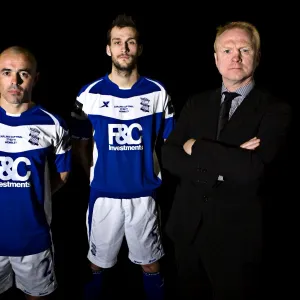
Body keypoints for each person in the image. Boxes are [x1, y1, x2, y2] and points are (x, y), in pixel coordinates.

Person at [161, 21, 292, 300]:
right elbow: (169, 155)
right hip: (187, 231)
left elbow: (251, 169)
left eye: (245, 49)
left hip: (237, 240)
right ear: (216, 58)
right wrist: (227, 161)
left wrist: (195, 145)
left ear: (257, 56)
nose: (236, 56)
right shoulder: (196, 103)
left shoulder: (275, 110)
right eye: (228, 49)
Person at [70, 14, 175, 300]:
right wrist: (93, 173)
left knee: (151, 263)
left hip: (144, 194)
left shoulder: (158, 93)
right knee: (96, 263)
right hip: (103, 195)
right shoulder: (88, 94)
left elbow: (172, 141)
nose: (124, 48)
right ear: (108, 49)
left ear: (139, 48)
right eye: (117, 42)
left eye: (130, 42)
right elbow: (80, 143)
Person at [0, 46, 72, 299]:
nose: (15, 81)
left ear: (36, 78)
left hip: (33, 240)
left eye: (24, 74)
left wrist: (33, 194)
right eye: (7, 72)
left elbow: (63, 174)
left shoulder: (52, 124)